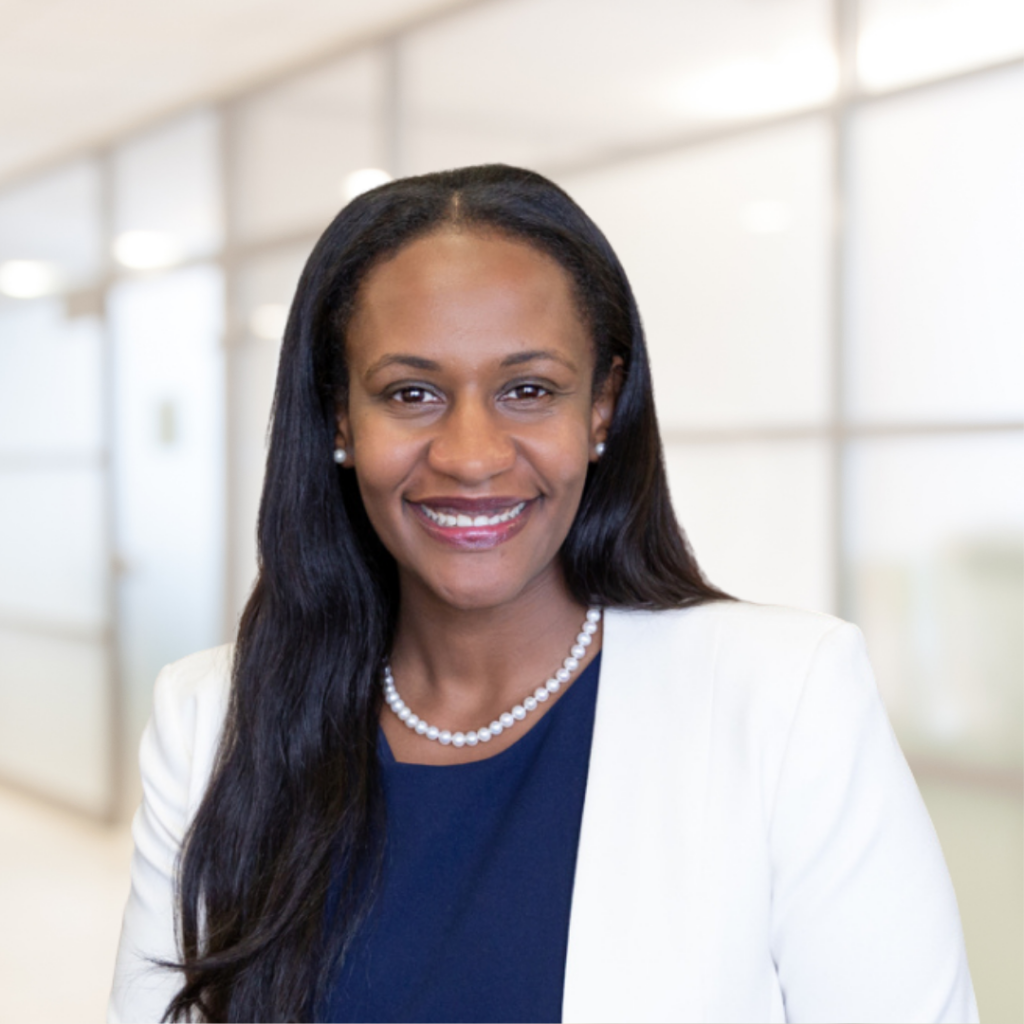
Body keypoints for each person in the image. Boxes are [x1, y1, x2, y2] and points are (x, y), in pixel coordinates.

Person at [108, 165, 976, 1024]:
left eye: (529, 390)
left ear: (602, 406)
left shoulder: (784, 698)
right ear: (340, 418)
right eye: (412, 393)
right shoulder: (210, 721)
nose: (472, 455)